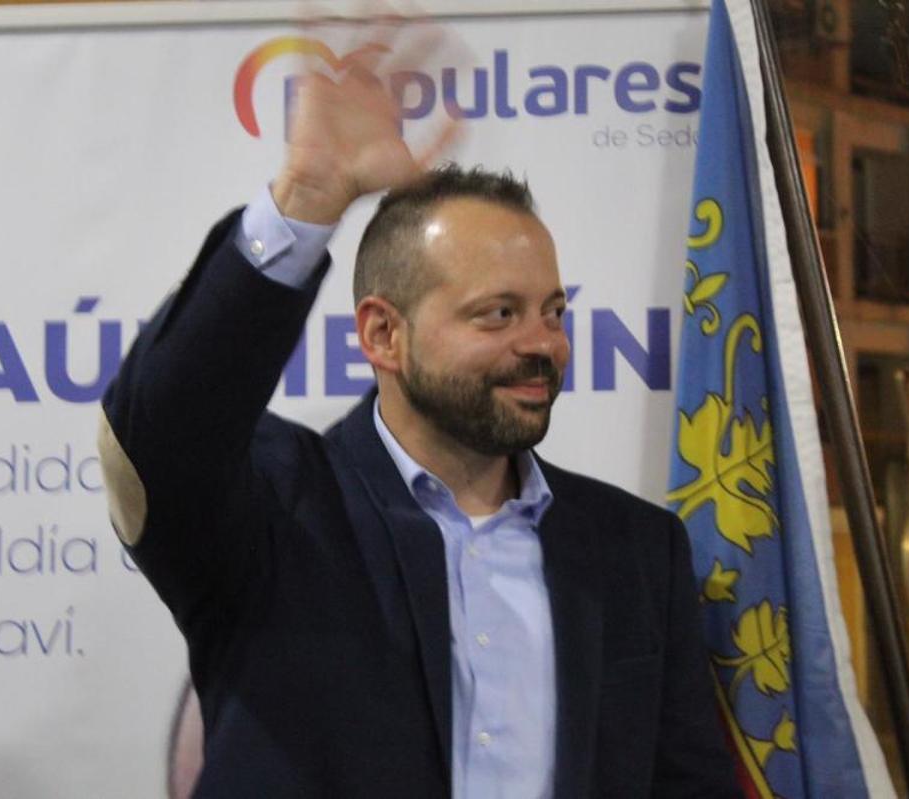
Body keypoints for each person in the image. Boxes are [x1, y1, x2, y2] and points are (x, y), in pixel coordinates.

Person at [98, 16, 739, 798]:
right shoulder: (272, 508)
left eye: (553, 312)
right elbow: (157, 437)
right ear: (383, 334)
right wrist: (305, 201)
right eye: (498, 314)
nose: (542, 343)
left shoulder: (636, 550)